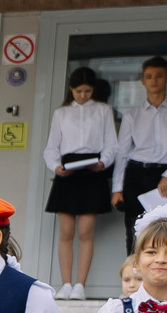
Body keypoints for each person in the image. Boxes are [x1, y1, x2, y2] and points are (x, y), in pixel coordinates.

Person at [42, 66, 118, 297]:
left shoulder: (104, 110)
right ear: (71, 90)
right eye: (78, 91)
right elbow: (51, 147)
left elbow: (111, 144)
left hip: (93, 169)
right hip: (68, 171)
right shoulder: (61, 113)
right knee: (66, 232)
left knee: (86, 231)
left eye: (87, 91)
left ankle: (80, 285)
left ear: (93, 90)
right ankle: (65, 284)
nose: (83, 95)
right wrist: (56, 166)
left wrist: (103, 163)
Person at [112, 56, 167, 223]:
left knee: (164, 229)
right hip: (136, 174)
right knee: (134, 229)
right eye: (149, 76)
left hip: (165, 173)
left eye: (159, 75)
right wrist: (117, 189)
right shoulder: (131, 116)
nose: (154, 81)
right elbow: (122, 153)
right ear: (143, 81)